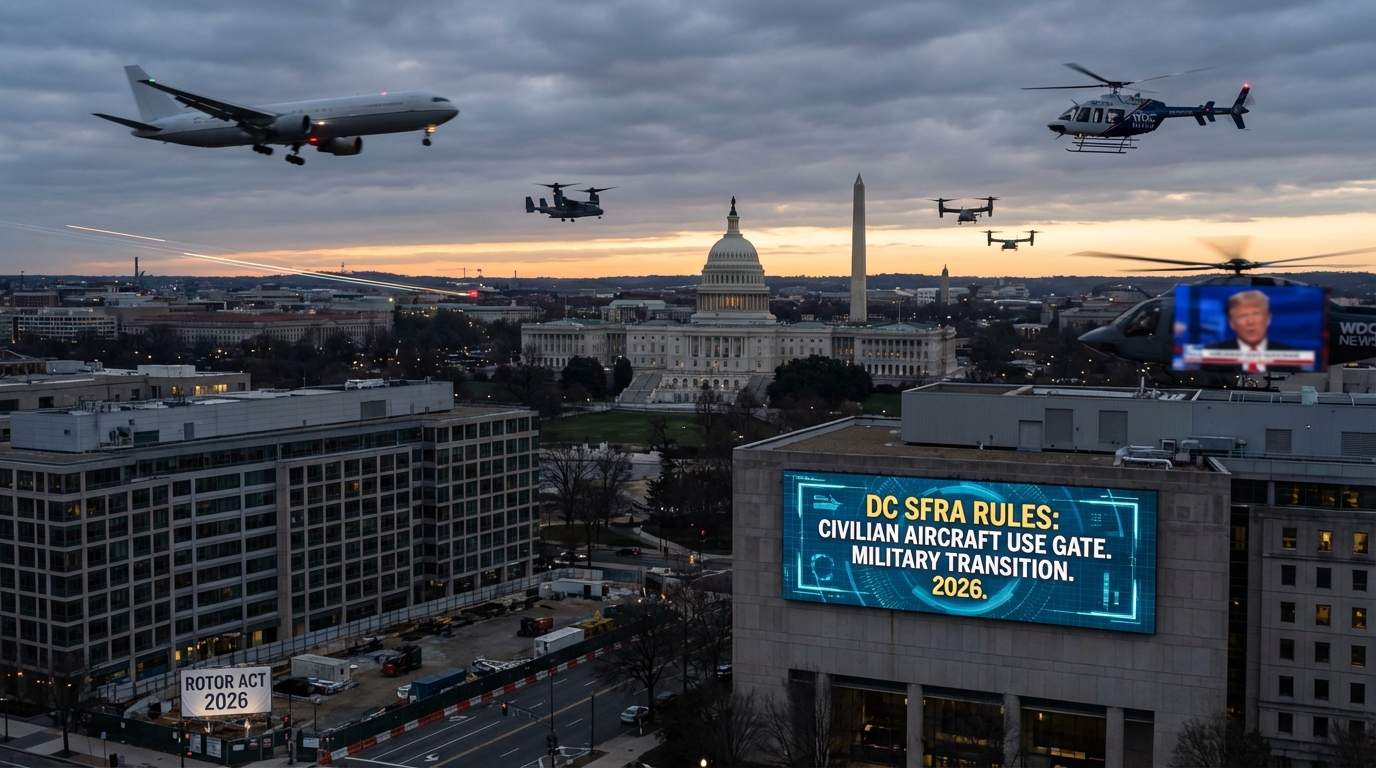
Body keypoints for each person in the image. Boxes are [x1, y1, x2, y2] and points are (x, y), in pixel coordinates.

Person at [1202, 290, 1297, 373]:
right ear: (1232, 322)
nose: (1250, 322)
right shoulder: (1214, 355)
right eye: (1243, 316)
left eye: (1256, 314)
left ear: (1268, 318)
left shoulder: (1288, 354)